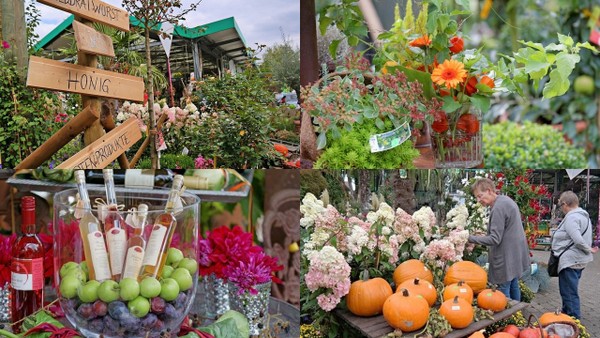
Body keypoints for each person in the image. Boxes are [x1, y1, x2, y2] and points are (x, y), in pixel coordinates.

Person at [468, 178, 530, 301]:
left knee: (503, 291)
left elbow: (495, 239)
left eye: (480, 196)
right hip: (514, 253)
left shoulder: (498, 208)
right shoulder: (505, 200)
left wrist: (469, 238)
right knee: (513, 284)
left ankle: (508, 317)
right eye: (477, 197)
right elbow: (505, 229)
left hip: (506, 256)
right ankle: (517, 314)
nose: (478, 200)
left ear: (489, 191)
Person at [552, 191, 598, 319]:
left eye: (561, 206)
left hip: (571, 261)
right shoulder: (584, 216)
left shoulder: (572, 217)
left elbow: (577, 239)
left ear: (565, 204)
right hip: (578, 260)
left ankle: (573, 319)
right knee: (569, 289)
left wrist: (588, 248)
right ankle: (566, 314)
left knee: (569, 292)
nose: (562, 209)